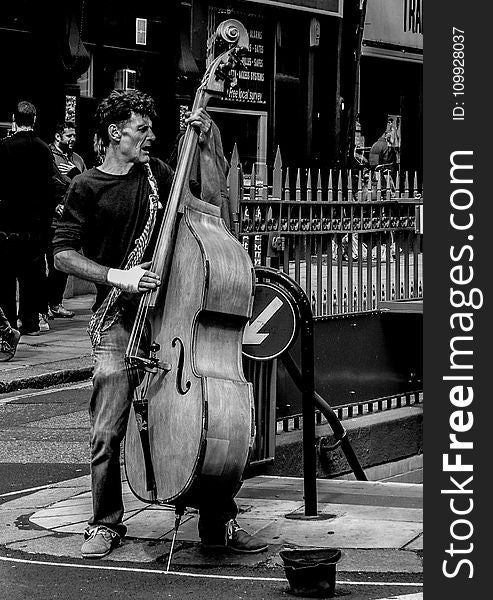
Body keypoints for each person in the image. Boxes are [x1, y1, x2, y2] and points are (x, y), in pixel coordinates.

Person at [53, 90, 268, 560]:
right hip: (116, 319)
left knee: (206, 420)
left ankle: (217, 519)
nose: (151, 136)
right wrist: (117, 276)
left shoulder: (159, 177)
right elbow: (63, 253)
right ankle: (105, 522)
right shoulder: (86, 186)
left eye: (151, 128)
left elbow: (210, 198)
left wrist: (206, 142)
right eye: (141, 128)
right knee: (108, 427)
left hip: (169, 317)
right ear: (115, 133)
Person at [0, 101, 57, 336]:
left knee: (5, 276)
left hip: (8, 224)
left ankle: (9, 325)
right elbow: (50, 186)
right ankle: (31, 322)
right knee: (32, 276)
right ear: (34, 120)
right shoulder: (44, 149)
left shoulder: (4, 147)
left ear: (15, 118)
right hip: (36, 223)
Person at [46, 122, 87, 319]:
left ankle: (55, 302)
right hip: (51, 219)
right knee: (48, 262)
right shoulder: (49, 155)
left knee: (62, 266)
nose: (72, 139)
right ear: (57, 136)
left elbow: (85, 185)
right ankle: (43, 305)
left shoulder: (77, 159)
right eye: (68, 135)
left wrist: (74, 173)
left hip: (70, 221)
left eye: (74, 136)